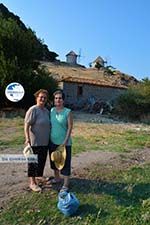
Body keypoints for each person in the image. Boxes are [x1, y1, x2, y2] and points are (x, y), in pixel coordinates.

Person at [24, 89, 50, 192]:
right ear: (37, 98)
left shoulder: (46, 111)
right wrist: (27, 138)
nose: (43, 99)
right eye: (41, 97)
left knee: (41, 161)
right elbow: (26, 125)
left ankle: (39, 177)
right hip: (34, 142)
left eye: (44, 97)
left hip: (45, 142)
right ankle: (32, 183)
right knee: (33, 163)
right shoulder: (33, 110)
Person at [49, 90, 73, 192]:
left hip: (64, 143)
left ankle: (66, 184)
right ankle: (57, 178)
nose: (58, 100)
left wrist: (65, 141)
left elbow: (70, 127)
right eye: (56, 98)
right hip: (52, 141)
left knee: (65, 163)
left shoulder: (68, 112)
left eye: (60, 98)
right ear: (54, 100)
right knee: (54, 160)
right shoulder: (52, 111)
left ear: (63, 100)